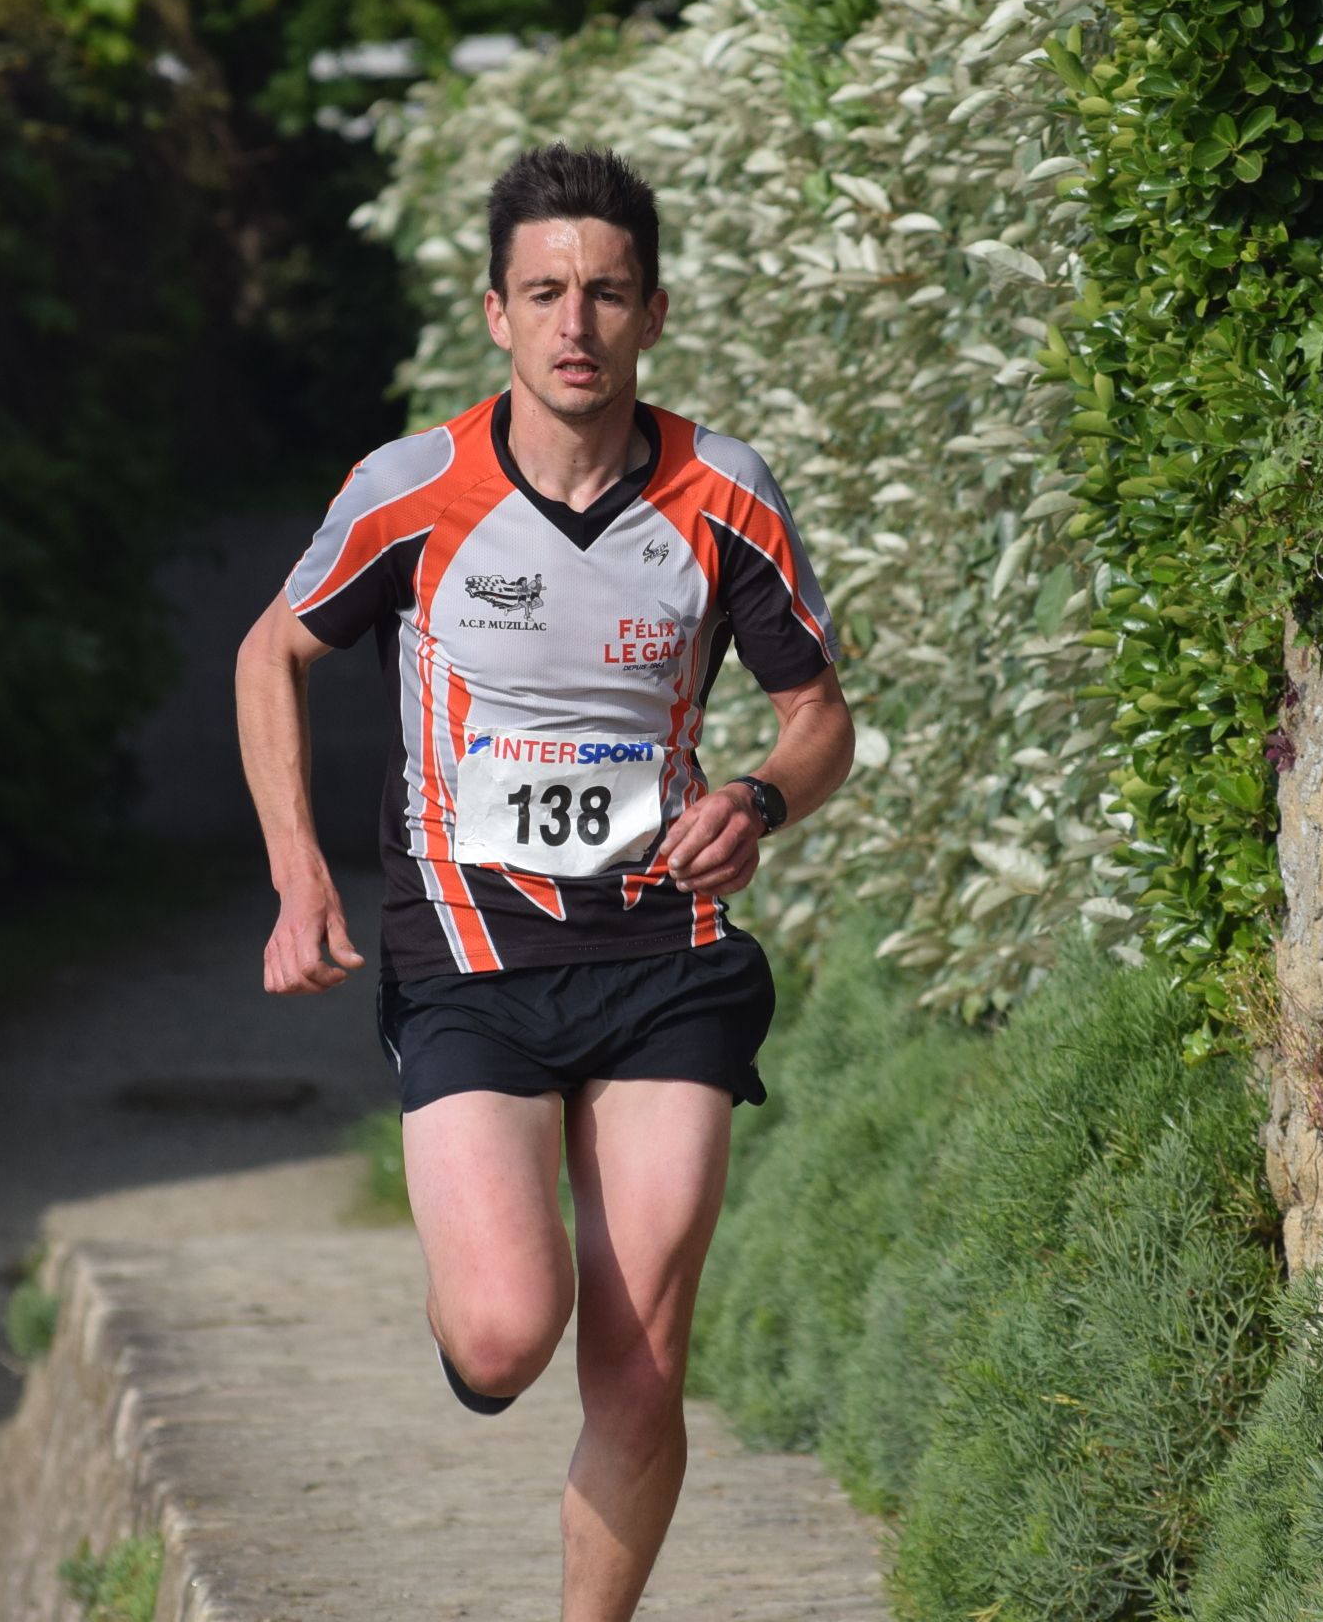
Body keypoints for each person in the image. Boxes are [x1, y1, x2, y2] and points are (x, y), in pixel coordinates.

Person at [233, 142, 854, 1622]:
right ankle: (476, 1306)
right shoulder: (412, 489)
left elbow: (819, 717)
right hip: (470, 960)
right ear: (497, 313)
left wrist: (758, 797)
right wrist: (299, 876)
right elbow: (272, 651)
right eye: (545, 293)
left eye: (608, 293)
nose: (577, 325)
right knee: (509, 1335)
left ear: (653, 313)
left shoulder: (723, 492)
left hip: (665, 960)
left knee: (642, 1357)